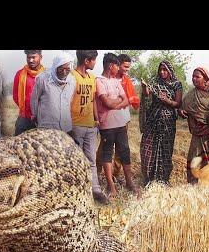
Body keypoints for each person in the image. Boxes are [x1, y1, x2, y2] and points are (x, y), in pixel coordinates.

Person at [96, 53, 138, 199]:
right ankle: (111, 186)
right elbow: (106, 103)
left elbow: (126, 100)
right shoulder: (99, 81)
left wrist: (114, 104)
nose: (119, 68)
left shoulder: (117, 81)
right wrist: (116, 103)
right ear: (110, 66)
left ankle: (129, 182)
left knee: (125, 152)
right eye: (116, 66)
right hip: (106, 124)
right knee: (107, 154)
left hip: (121, 123)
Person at [70, 50, 109, 205]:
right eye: (93, 60)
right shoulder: (72, 77)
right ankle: (78, 191)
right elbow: (68, 100)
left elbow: (92, 101)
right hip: (76, 125)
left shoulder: (92, 78)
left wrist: (97, 120)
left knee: (91, 159)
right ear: (86, 61)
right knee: (76, 160)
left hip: (90, 126)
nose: (95, 63)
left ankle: (95, 189)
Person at [139, 60, 183, 185]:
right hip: (153, 121)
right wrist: (144, 87)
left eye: (165, 70)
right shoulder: (156, 83)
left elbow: (178, 103)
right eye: (160, 70)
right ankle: (149, 178)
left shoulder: (176, 84)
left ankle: (163, 179)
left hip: (167, 123)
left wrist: (167, 101)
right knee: (148, 147)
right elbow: (147, 93)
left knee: (165, 150)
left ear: (170, 71)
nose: (162, 72)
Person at [179, 67, 209, 184]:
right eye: (193, 76)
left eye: (197, 76)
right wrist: (181, 111)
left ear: (205, 78)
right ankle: (193, 185)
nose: (194, 79)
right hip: (197, 132)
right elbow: (183, 108)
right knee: (194, 159)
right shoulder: (190, 95)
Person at [31, 52, 76, 134]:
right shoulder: (43, 79)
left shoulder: (72, 81)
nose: (64, 72)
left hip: (66, 128)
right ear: (55, 67)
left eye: (67, 69)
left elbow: (70, 101)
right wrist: (34, 115)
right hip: (47, 128)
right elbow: (34, 99)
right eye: (61, 69)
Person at [12, 50, 45, 136]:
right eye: (28, 57)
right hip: (24, 118)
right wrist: (25, 109)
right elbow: (16, 96)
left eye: (33, 57)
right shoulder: (20, 74)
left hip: (42, 119)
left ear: (40, 57)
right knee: (18, 147)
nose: (30, 60)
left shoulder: (47, 75)